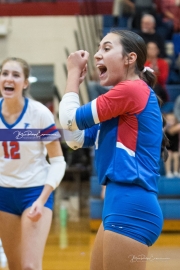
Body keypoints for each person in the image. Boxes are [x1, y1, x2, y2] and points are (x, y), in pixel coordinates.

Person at [59, 29, 169, 270]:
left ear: (130, 58)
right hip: (120, 203)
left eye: (106, 48)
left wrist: (73, 72)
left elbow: (69, 120)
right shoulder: (121, 104)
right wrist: (74, 84)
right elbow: (75, 138)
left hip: (130, 206)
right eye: (98, 48)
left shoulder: (132, 90)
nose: (98, 55)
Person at [0, 57, 66, 270]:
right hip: (4, 195)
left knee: (30, 266)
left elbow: (58, 161)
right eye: (5, 73)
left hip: (34, 193)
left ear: (25, 83)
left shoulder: (39, 114)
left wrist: (43, 197)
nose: (9, 78)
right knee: (15, 266)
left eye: (16, 75)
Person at [164, 112, 180, 177]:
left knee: (176, 156)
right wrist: (166, 126)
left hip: (175, 147)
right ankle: (168, 172)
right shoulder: (164, 128)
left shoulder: (177, 128)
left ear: (175, 121)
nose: (171, 122)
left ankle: (176, 171)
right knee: (169, 155)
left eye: (172, 120)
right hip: (167, 148)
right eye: (169, 120)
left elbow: (173, 132)